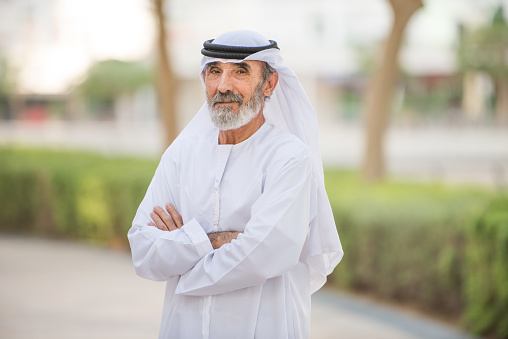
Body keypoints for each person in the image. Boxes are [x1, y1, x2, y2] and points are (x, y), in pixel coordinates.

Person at [128, 30, 343, 339]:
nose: (223, 85)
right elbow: (143, 251)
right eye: (215, 71)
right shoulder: (182, 153)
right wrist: (215, 240)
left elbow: (262, 255)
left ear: (269, 84)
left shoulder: (290, 157)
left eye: (240, 71)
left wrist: (181, 258)